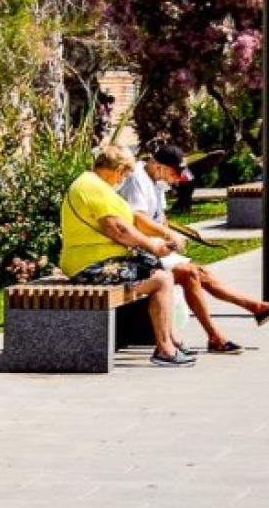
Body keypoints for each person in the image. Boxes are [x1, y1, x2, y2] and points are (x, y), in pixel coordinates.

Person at [124, 144, 269, 353]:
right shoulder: (136, 179)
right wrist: (167, 235)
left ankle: (255, 309)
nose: (176, 179)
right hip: (139, 252)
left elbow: (160, 217)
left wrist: (170, 235)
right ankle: (220, 334)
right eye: (174, 173)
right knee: (192, 273)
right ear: (158, 166)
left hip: (156, 249)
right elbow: (138, 219)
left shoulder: (156, 180)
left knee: (203, 273)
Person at [56, 144, 197, 368]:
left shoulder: (96, 185)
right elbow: (118, 230)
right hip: (89, 266)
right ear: (118, 169)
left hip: (101, 260)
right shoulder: (93, 187)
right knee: (161, 280)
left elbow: (128, 222)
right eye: (125, 173)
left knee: (161, 270)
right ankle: (164, 349)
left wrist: (160, 240)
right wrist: (151, 245)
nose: (125, 178)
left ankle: (170, 339)